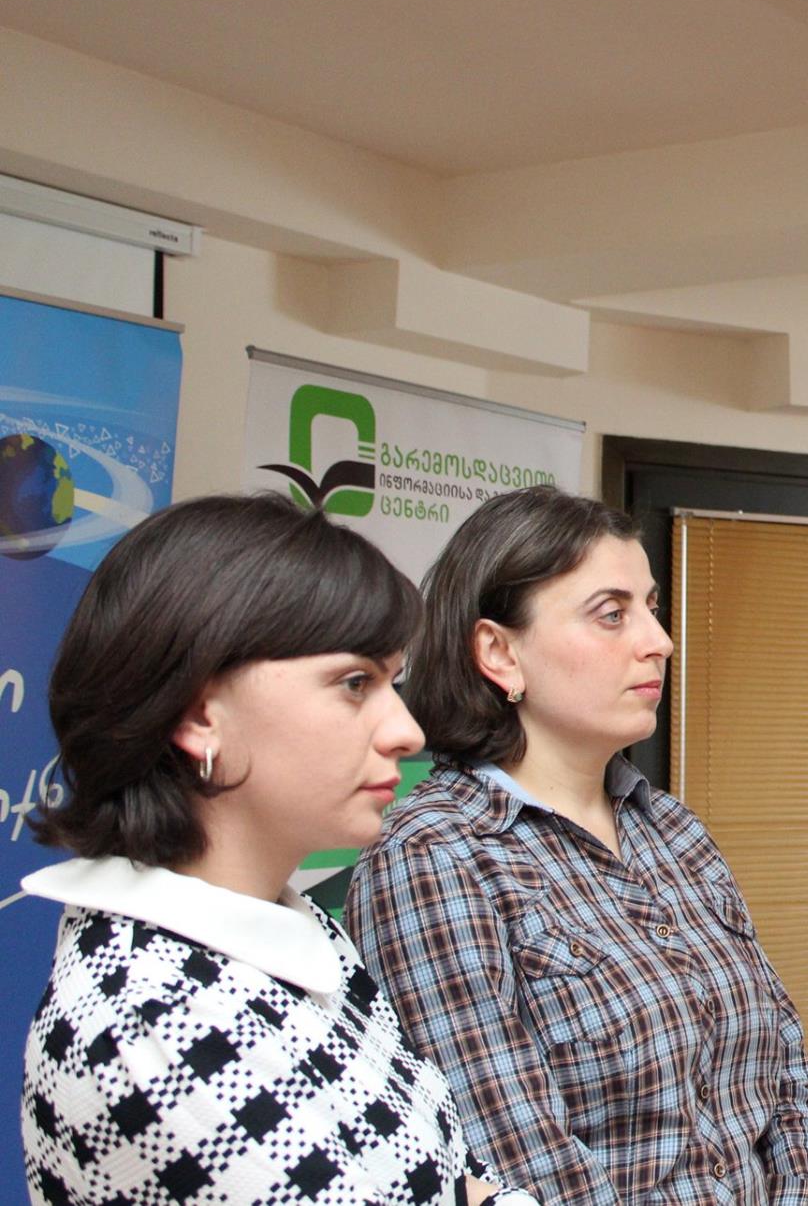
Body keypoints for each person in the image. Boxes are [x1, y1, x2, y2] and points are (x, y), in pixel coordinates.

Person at [19, 493, 530, 1206]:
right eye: (355, 683)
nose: (407, 732)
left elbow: (447, 1178)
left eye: (391, 681)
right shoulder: (151, 1024)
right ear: (200, 713)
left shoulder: (290, 929)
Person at [348, 485, 808, 1204]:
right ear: (499, 652)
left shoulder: (674, 831)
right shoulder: (433, 854)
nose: (659, 641)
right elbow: (516, 1156)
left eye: (650, 607)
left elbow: (787, 1083)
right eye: (612, 614)